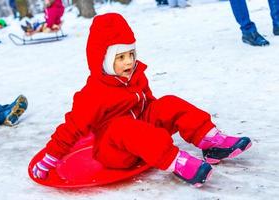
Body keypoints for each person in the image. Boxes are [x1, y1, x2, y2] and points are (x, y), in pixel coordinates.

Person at [32, 13, 252, 187]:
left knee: (168, 103)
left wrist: (161, 114)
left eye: (131, 54)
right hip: (114, 151)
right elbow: (71, 129)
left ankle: (210, 141)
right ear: (103, 60)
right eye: (120, 57)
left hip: (142, 132)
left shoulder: (136, 75)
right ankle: (177, 162)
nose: (129, 62)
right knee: (124, 127)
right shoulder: (92, 95)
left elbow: (150, 103)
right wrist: (50, 158)